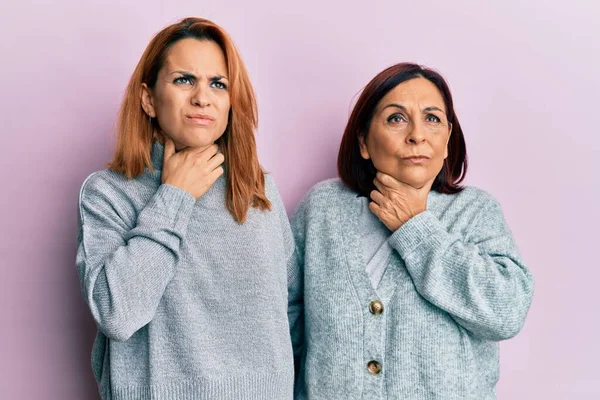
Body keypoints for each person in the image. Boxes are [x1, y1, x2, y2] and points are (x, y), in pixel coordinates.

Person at [76, 17, 295, 400]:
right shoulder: (108, 194)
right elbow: (117, 314)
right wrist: (174, 195)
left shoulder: (259, 191)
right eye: (183, 80)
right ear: (148, 99)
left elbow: (290, 309)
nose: (202, 97)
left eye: (218, 83)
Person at [288, 62, 534, 399]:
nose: (417, 134)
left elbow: (506, 312)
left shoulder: (476, 211)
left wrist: (415, 227)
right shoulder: (322, 210)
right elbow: (285, 325)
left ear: (447, 140)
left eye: (432, 118)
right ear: (363, 141)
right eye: (396, 118)